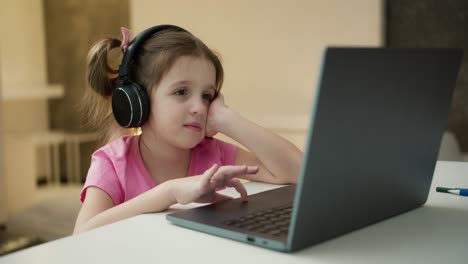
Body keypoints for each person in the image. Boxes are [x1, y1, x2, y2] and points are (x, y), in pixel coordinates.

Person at [73, 25, 302, 234]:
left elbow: (297, 171)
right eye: (181, 92)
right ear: (137, 102)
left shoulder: (214, 154)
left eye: (207, 96)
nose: (199, 108)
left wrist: (225, 118)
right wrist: (169, 192)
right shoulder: (111, 163)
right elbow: (81, 234)